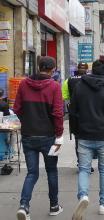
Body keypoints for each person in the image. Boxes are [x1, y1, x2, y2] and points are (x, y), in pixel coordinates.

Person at [14, 56, 64, 219]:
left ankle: (24, 206)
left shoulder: (23, 84)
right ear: (52, 69)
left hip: (28, 135)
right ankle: (54, 206)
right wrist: (59, 133)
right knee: (51, 171)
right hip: (48, 136)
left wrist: (27, 121)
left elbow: (17, 108)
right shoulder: (55, 87)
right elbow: (57, 113)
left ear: (39, 67)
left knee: (32, 173)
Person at [70, 59, 104, 219]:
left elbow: (72, 112)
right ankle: (103, 205)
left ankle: (83, 196)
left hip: (84, 134)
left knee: (84, 169)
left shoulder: (79, 86)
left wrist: (76, 131)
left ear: (92, 70)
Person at [61, 62, 95, 172]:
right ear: (87, 69)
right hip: (89, 113)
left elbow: (64, 96)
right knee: (89, 139)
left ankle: (81, 163)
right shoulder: (91, 80)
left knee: (78, 139)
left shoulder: (69, 80)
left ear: (77, 68)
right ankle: (88, 164)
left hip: (74, 114)